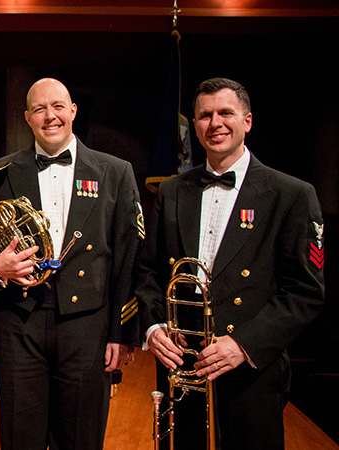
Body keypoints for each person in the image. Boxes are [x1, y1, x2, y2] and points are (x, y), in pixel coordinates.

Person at [136, 77, 325, 450]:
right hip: (184, 366)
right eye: (205, 115)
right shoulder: (172, 191)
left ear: (248, 121)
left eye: (226, 113)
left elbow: (305, 293)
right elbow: (147, 273)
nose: (215, 123)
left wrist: (242, 344)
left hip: (251, 370)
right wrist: (154, 326)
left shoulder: (292, 195)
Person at [0, 78, 141, 450]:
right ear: (27, 117)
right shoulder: (0, 171)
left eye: (57, 106)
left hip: (87, 326)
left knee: (80, 438)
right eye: (39, 109)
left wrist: (122, 333)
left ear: (73, 111)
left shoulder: (116, 171)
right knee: (19, 437)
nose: (49, 116)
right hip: (18, 324)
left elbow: (128, 257)